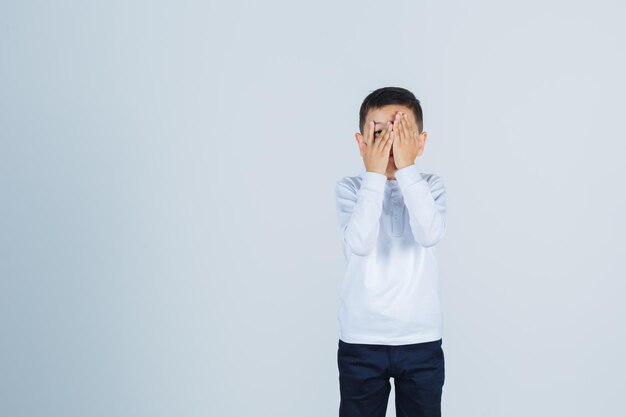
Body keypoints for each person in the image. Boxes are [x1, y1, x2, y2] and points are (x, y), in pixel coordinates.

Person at [334, 86, 447, 417]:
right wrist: (373, 175)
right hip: (361, 338)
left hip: (421, 339)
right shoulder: (351, 188)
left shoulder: (431, 186)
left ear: (420, 142)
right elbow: (360, 243)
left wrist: (408, 171)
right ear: (362, 143)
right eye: (380, 134)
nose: (390, 146)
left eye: (401, 135)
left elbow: (429, 234)